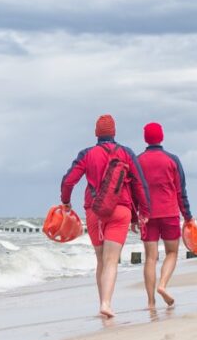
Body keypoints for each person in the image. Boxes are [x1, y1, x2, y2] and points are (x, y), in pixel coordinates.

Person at [60, 114, 150, 319]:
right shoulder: (126, 153)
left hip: (94, 211)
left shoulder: (87, 154)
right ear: (114, 132)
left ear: (96, 133)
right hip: (120, 211)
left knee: (100, 258)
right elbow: (139, 184)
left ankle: (102, 303)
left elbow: (68, 181)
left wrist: (66, 202)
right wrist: (144, 212)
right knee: (111, 260)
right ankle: (107, 303)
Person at [137, 122, 193, 309]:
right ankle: (162, 285)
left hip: (147, 215)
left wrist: (134, 215)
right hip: (169, 213)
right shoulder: (172, 159)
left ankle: (151, 302)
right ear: (161, 137)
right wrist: (188, 216)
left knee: (150, 258)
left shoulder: (138, 161)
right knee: (172, 252)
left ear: (146, 138)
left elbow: (134, 191)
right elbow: (180, 191)